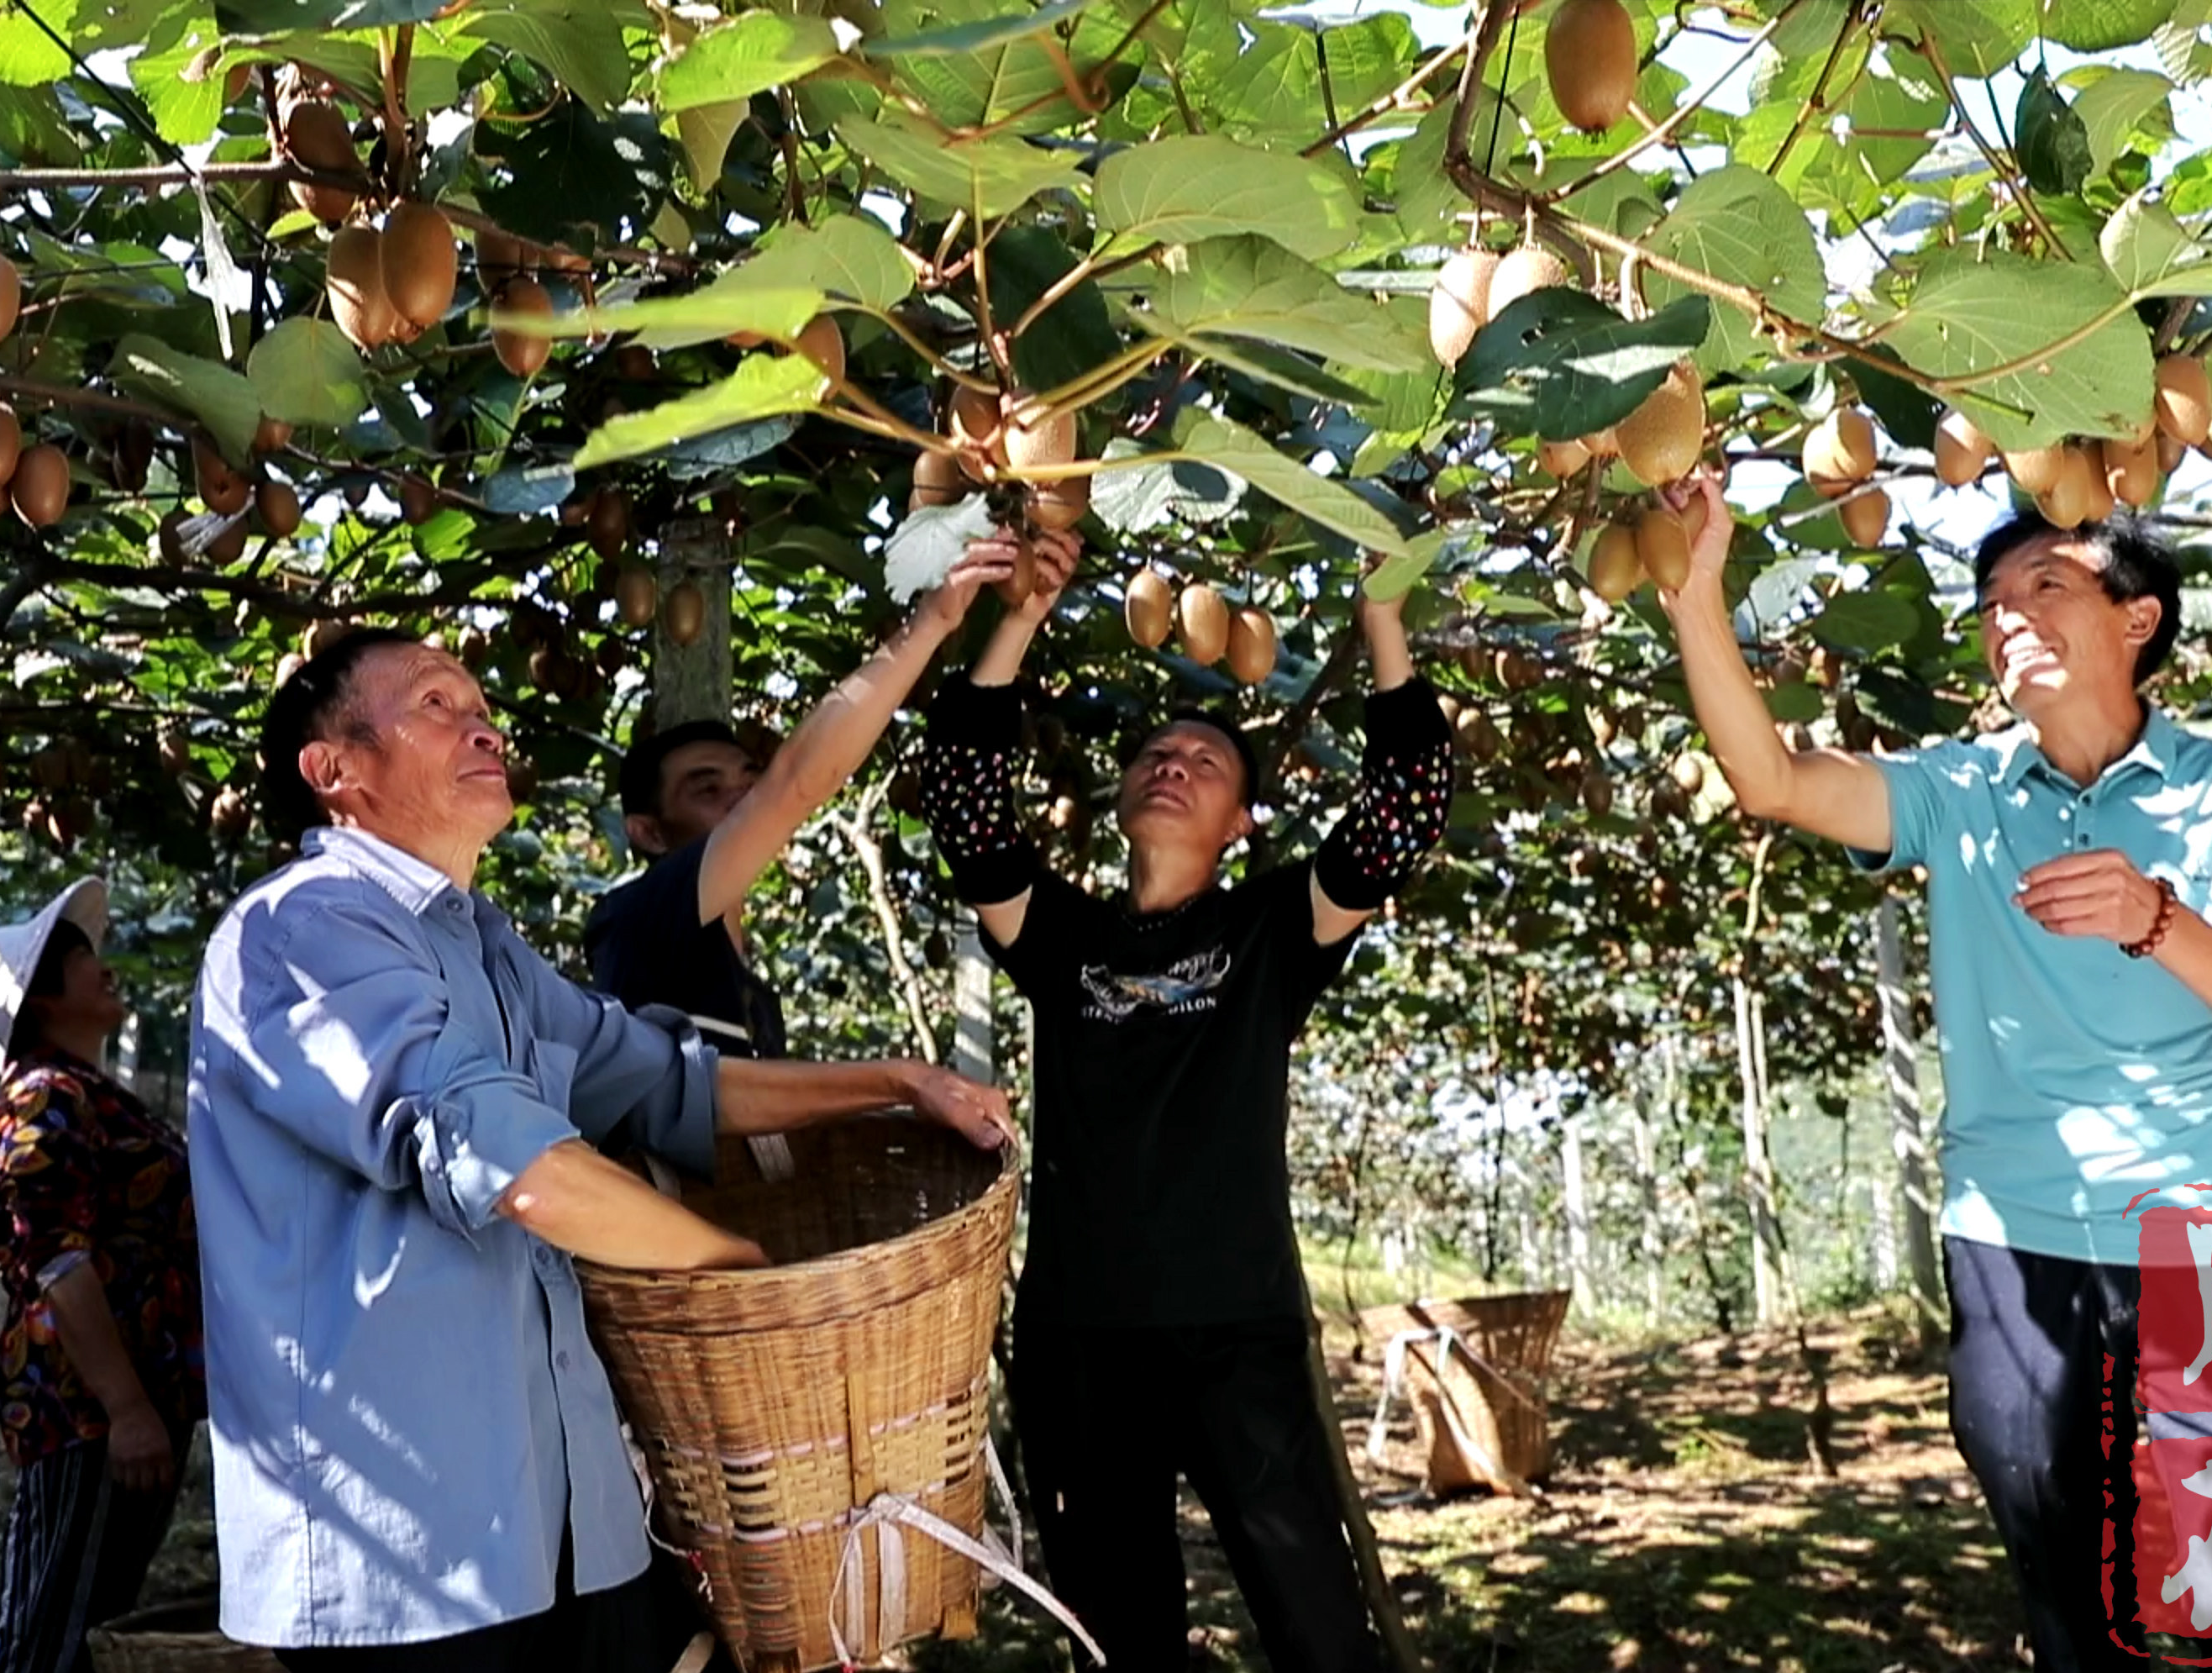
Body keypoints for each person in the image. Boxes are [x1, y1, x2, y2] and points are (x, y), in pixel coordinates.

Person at [187, 629, 1017, 1670]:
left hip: (566, 1523)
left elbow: (673, 1082)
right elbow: (514, 1165)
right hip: (407, 1553)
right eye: (436, 703)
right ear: (335, 770)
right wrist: (732, 1272)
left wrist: (897, 1080)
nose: (483, 721)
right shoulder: (298, 930)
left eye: (481, 699)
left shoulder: (485, 946)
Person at [1655, 480, 2212, 1672]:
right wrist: (1696, 590)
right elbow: (1770, 779)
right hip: (2016, 1227)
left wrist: (2155, 916)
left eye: (2047, 585)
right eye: (1991, 601)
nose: (2007, 614)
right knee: (2066, 1588)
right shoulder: (1956, 792)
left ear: (2138, 619)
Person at [917, 560, 1453, 1673]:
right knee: (1122, 1638)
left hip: (1237, 1333)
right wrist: (1018, 616)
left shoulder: (1274, 928)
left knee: (1316, 1622)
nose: (1173, 763)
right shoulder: (1061, 937)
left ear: (1241, 821)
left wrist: (1383, 618)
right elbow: (964, 798)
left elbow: (1406, 808)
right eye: (1155, 754)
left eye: (1205, 761)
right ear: (1121, 797)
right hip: (1082, 1340)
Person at [587, 534, 1054, 1055]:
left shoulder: (748, 987)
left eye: (748, 778)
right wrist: (930, 626)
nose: (743, 796)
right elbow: (794, 785)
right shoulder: (636, 918)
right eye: (707, 787)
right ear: (647, 831)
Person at [0, 877, 204, 1673]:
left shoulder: (85, 1093)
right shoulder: (42, 1098)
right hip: (89, 1411)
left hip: (129, 1407)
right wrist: (126, 1407)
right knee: (43, 1638)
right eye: (76, 959)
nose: (100, 966)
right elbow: (57, 1259)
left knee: (87, 1626)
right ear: (37, 1000)